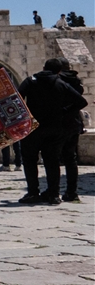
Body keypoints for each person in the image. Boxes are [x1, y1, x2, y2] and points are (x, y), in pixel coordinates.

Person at [18, 58, 87, 205]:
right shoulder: (60, 84)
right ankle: (54, 195)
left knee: (29, 160)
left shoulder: (31, 81)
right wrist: (64, 112)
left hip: (33, 127)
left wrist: (23, 116)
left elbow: (17, 96)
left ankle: (32, 193)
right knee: (52, 161)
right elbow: (81, 102)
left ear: (43, 68)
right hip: (55, 128)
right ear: (59, 71)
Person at [57, 58, 85, 203]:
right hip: (75, 122)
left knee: (54, 157)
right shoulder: (76, 80)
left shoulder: (58, 81)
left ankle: (53, 192)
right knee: (71, 158)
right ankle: (71, 192)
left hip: (59, 123)